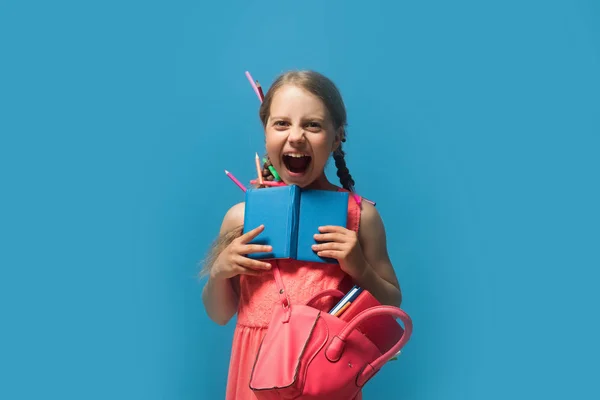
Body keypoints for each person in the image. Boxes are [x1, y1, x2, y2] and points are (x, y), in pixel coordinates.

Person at [201, 70, 402, 399]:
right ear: (265, 134)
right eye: (281, 123)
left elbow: (391, 302)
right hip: (254, 377)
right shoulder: (240, 217)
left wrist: (359, 269)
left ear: (337, 137)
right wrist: (219, 271)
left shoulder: (361, 218)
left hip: (323, 375)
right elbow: (219, 313)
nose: (296, 136)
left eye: (313, 125)